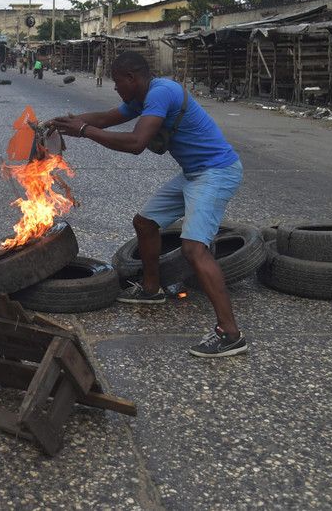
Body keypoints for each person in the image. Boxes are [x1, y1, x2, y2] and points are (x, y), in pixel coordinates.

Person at [49, 52, 247, 359]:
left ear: (131, 78)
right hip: (194, 173)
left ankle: (230, 334)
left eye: (117, 82)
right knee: (145, 222)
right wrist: (63, 124)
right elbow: (106, 118)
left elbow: (136, 143)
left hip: (216, 172)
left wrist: (84, 131)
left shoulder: (161, 93)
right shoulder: (141, 97)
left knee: (194, 248)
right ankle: (151, 290)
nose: (116, 88)